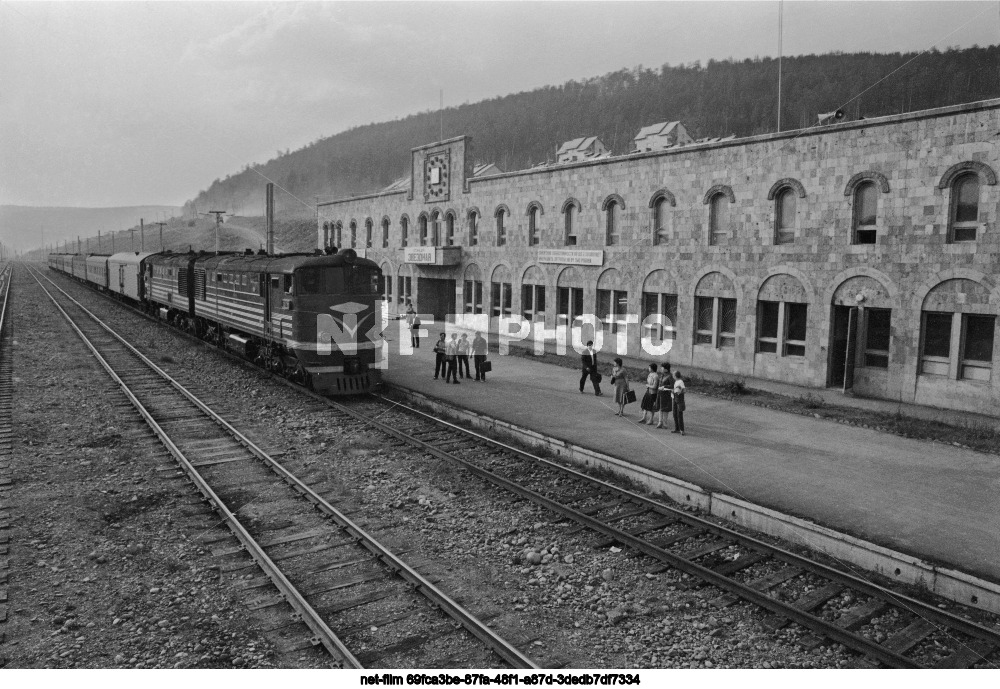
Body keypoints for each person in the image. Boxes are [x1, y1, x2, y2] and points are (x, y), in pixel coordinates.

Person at [656, 362, 673, 429]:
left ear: (666, 369)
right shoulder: (662, 375)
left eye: (662, 368)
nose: (661, 369)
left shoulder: (670, 376)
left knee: (665, 409)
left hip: (666, 395)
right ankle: (660, 422)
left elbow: (672, 385)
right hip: (660, 393)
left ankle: (665, 423)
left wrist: (664, 386)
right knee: (660, 407)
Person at [671, 370, 686, 435]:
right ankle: (677, 428)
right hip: (674, 398)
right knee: (675, 414)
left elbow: (684, 390)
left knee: (679, 414)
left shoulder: (680, 382)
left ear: (675, 376)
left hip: (679, 399)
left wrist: (680, 392)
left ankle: (681, 429)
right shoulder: (676, 381)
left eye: (673, 375)